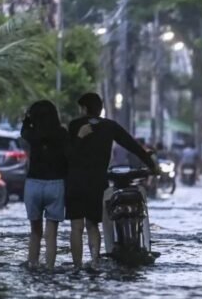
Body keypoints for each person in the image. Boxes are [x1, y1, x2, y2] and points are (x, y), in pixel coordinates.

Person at [66, 92, 158, 270]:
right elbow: (131, 145)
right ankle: (94, 262)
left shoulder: (75, 125)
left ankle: (77, 266)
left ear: (84, 109)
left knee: (76, 227)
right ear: (100, 109)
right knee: (93, 225)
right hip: (98, 183)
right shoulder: (110, 126)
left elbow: (69, 153)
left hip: (75, 182)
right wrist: (151, 164)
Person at [20, 100, 69, 271]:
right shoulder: (62, 133)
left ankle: (32, 263)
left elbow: (23, 131)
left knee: (35, 232)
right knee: (51, 234)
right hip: (56, 185)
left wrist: (27, 119)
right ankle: (49, 267)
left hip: (33, 184)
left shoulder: (32, 134)